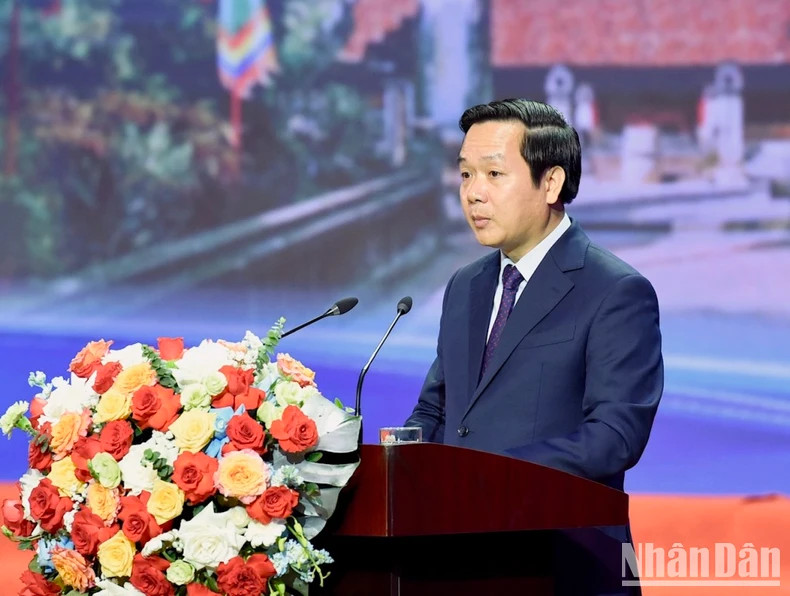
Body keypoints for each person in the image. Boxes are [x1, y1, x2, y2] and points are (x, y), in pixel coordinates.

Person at [405, 98, 663, 591]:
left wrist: (487, 475)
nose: (473, 194)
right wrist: (404, 455)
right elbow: (436, 410)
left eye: (493, 174)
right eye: (465, 175)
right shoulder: (466, 286)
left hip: (566, 560)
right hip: (455, 555)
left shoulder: (615, 290)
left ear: (551, 182)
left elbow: (615, 435)